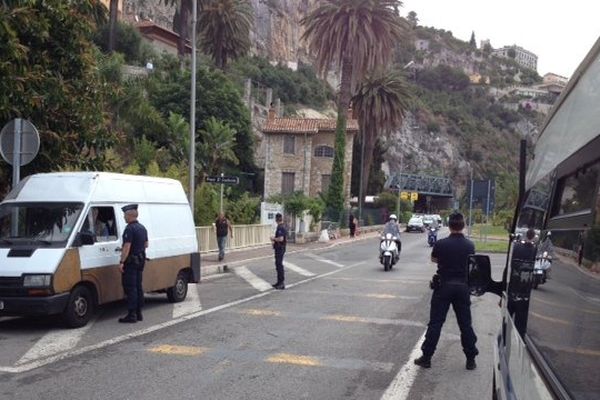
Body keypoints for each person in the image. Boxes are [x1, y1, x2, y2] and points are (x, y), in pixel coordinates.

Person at [414, 212, 478, 370]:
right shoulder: (470, 245)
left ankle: (427, 357)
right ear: (463, 226)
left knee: (435, 323)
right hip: (463, 287)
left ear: (449, 226)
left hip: (444, 286)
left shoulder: (441, 244)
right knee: (465, 325)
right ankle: (471, 359)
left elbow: (434, 259)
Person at [118, 204, 148, 323]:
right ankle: (139, 313)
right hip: (140, 261)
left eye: (125, 215)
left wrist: (121, 261)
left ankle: (131, 315)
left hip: (131, 262)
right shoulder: (142, 228)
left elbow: (127, 246)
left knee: (130, 288)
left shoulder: (129, 229)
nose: (124, 217)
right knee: (138, 286)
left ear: (129, 215)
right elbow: (146, 244)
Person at [270, 213, 287, 290]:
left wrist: (273, 239)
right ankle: (279, 282)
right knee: (278, 264)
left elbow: (281, 239)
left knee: (279, 265)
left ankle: (281, 283)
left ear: (276, 219)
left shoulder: (280, 227)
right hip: (280, 248)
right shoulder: (281, 226)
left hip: (280, 248)